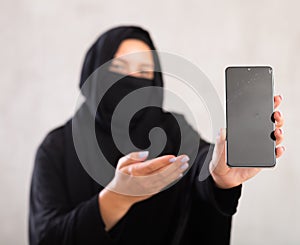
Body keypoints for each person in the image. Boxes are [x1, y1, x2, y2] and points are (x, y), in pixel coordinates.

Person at [29, 25, 285, 245]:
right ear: (93, 72)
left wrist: (217, 176)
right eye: (119, 67)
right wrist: (116, 198)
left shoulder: (172, 129)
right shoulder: (57, 147)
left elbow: (200, 165)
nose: (132, 80)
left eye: (143, 72)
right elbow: (47, 236)